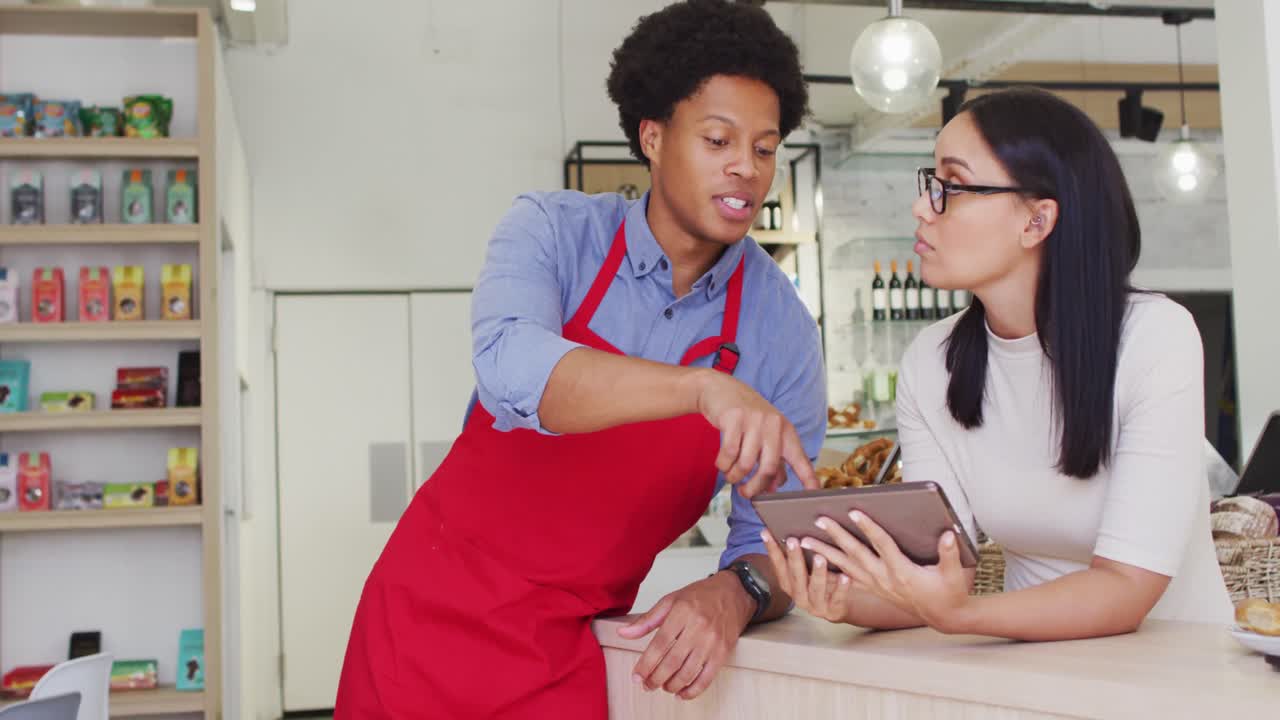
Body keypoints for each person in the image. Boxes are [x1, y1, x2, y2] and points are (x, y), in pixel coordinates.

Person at [334, 1, 826, 716]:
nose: (745, 170)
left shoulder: (779, 330)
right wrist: (701, 389)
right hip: (421, 625)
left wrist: (734, 592)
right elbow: (512, 369)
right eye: (718, 139)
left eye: (764, 147)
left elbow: (782, 541)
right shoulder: (554, 235)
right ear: (653, 137)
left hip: (567, 655)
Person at [765, 87, 1233, 640]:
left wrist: (961, 617)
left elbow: (1126, 587)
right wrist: (845, 597)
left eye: (952, 186)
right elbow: (941, 575)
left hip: (1182, 671)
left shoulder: (1155, 337)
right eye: (929, 183)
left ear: (1037, 222)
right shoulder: (931, 364)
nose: (922, 206)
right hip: (1025, 671)